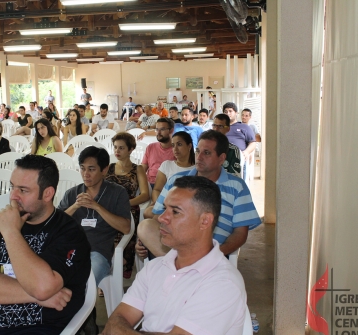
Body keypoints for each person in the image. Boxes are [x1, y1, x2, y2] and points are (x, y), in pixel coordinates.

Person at [0, 155, 91, 335]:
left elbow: (42, 287)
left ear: (47, 193)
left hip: (36, 327)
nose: (13, 196)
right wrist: (37, 297)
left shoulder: (68, 233)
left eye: (23, 190)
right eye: (12, 187)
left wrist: (11, 232)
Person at [102, 176, 247, 334]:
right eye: (165, 208)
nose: (162, 217)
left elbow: (118, 328)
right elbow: (115, 321)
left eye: (175, 212)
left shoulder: (223, 283)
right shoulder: (156, 267)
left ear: (205, 221)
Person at [138, 130, 261, 259]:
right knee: (146, 227)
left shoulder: (237, 187)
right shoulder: (176, 180)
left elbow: (240, 233)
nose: (199, 157)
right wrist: (144, 242)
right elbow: (158, 216)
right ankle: (186, 267)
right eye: (198, 151)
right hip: (174, 247)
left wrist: (215, 254)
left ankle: (186, 268)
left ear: (222, 158)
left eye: (207, 153)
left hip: (211, 253)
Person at [58, 146, 131, 286]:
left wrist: (96, 206)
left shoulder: (117, 193)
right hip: (69, 250)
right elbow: (56, 223)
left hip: (98, 252)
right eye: (82, 168)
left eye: (91, 169)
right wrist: (75, 206)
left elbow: (126, 228)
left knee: (83, 283)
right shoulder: (72, 193)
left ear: (104, 170)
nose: (86, 174)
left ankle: (83, 305)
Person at [105, 133, 149, 278]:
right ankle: (109, 265)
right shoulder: (109, 168)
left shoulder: (138, 169)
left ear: (131, 149)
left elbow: (145, 195)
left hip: (129, 208)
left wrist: (124, 203)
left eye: (121, 148)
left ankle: (116, 263)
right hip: (109, 207)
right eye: (115, 147)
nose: (117, 151)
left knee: (123, 223)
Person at [150, 131, 195, 204]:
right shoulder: (166, 165)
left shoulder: (198, 168)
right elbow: (157, 190)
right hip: (166, 205)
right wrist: (160, 204)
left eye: (179, 144)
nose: (175, 149)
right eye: (173, 145)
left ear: (189, 146)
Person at [223, 102, 256, 180]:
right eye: (225, 111)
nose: (228, 113)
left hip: (239, 155)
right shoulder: (221, 127)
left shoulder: (244, 127)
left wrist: (247, 152)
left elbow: (253, 143)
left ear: (236, 113)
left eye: (230, 111)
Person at [141, 118, 175, 187]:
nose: (158, 133)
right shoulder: (151, 147)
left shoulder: (177, 149)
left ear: (171, 130)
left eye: (162, 129)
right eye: (157, 129)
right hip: (150, 184)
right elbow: (143, 168)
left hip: (168, 185)